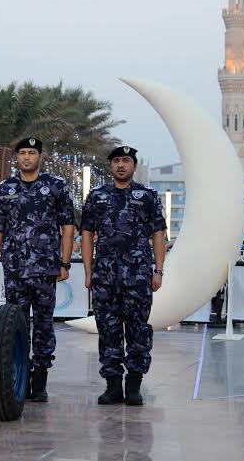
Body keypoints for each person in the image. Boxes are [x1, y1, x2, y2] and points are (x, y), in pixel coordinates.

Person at [0, 137, 75, 403]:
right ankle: (18, 376)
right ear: (17, 157)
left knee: (44, 325)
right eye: (22, 153)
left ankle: (40, 379)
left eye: (31, 153)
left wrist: (64, 262)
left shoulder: (56, 186)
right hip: (15, 270)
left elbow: (67, 226)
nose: (26, 157)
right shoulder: (5, 189)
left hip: (45, 269)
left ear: (40, 156)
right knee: (16, 324)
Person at [81, 145, 166, 405]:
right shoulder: (97, 196)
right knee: (108, 331)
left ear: (134, 166)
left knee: (138, 331)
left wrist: (158, 270)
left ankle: (134, 386)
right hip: (105, 277)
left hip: (138, 277)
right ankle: (113, 386)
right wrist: (88, 271)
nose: (121, 165)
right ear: (110, 166)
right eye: (116, 160)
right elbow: (87, 234)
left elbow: (158, 233)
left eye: (126, 160)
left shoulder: (148, 196)